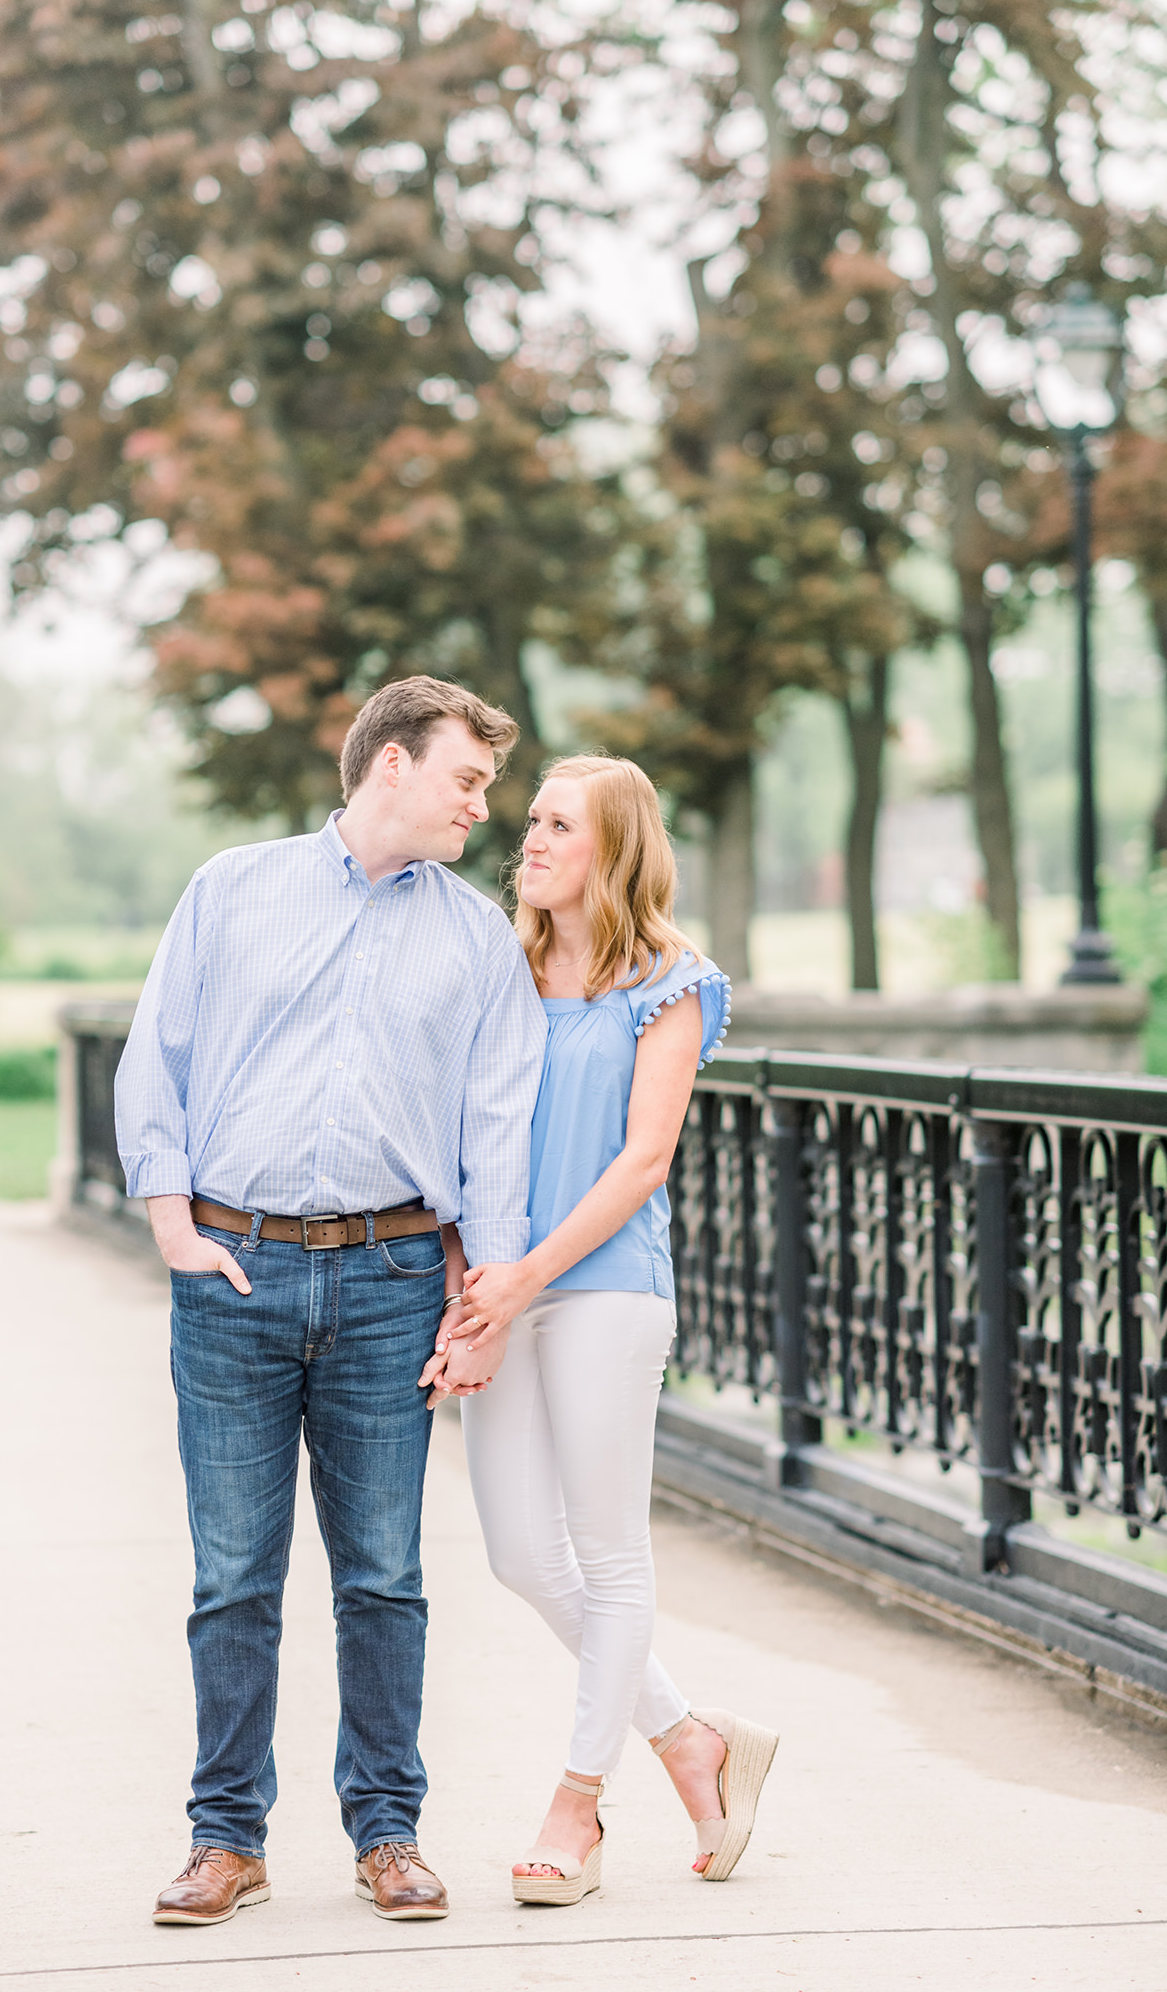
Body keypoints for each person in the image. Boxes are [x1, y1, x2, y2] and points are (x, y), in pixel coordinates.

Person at [115, 677, 546, 1929]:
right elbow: (162, 1054)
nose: (483, 804)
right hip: (236, 1276)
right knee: (234, 1575)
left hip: (395, 1279)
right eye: (466, 778)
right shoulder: (232, 890)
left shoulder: (474, 938)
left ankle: (388, 1832)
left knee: (384, 1577)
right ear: (392, 766)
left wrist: (487, 1294)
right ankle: (225, 1839)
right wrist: (169, 1226)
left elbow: (497, 1122)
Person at [421, 754, 778, 1905]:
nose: (525, 840)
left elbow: (644, 1159)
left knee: (609, 1551)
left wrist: (527, 1277)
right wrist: (472, 1293)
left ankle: (577, 1803)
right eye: (526, 821)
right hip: (500, 1287)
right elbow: (457, 1146)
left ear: (612, 849)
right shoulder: (496, 971)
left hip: (606, 1290)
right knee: (520, 1552)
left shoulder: (670, 983)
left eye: (554, 824)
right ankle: (690, 1738)